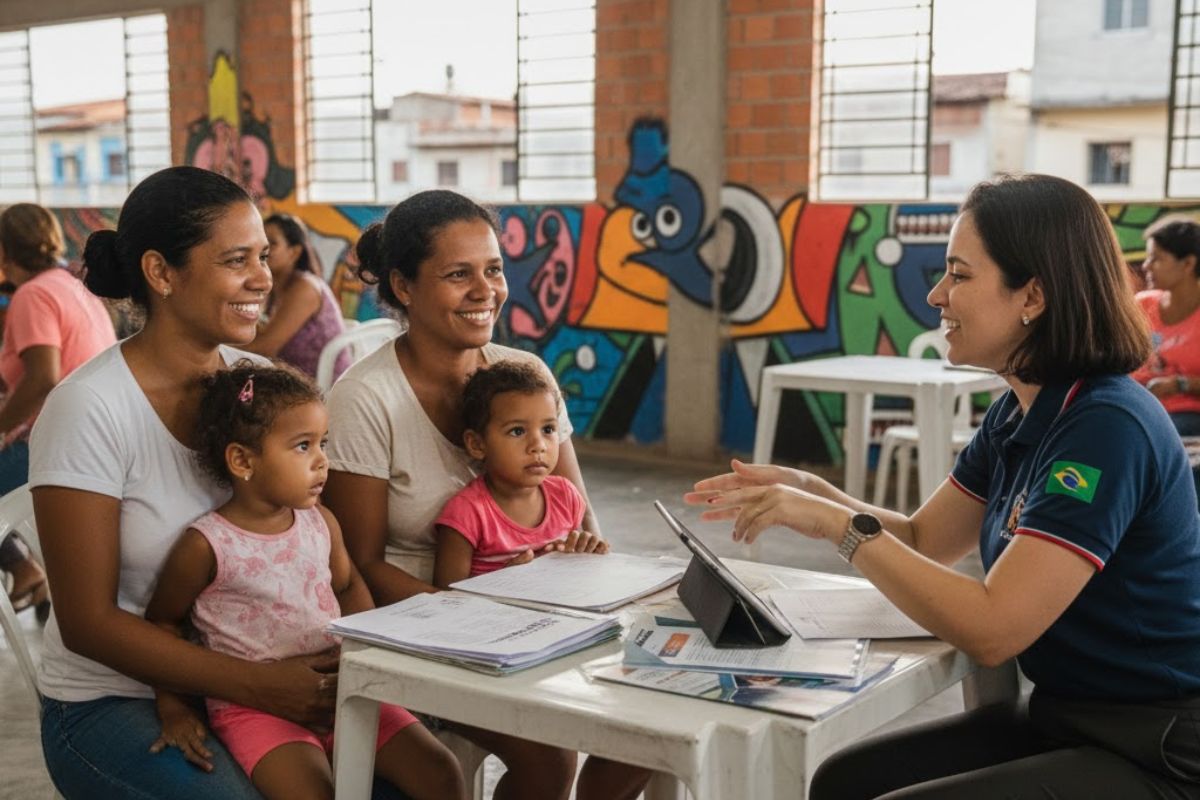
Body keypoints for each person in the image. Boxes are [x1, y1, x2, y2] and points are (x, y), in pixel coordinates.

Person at [689, 174, 1200, 799]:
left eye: (958, 275)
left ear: (1033, 295)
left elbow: (994, 629)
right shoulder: (1018, 409)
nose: (936, 294)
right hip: (1068, 715)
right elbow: (924, 539)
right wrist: (813, 493)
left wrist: (836, 526)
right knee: (843, 782)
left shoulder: (1106, 427)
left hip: (1157, 744)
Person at [28, 166, 402, 800]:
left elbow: (314, 542)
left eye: (263, 257)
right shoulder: (89, 408)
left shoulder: (254, 383)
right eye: (236, 260)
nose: (263, 278)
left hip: (257, 681)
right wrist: (260, 686)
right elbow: (87, 622)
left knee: (411, 779)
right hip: (115, 698)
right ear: (161, 272)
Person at [322, 189, 647, 800]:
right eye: (458, 275)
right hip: (420, 624)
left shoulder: (525, 376)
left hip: (536, 615)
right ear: (404, 286)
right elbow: (361, 565)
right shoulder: (365, 398)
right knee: (549, 759)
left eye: (493, 270)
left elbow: (577, 515)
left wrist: (569, 579)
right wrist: (478, 614)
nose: (485, 291)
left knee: (648, 723)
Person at [145, 363, 464, 800]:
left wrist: (371, 661)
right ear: (242, 460)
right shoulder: (207, 545)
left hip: (342, 690)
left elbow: (347, 586)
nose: (322, 461)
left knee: (442, 774)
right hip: (256, 709)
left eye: (322, 443)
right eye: (302, 446)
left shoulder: (320, 522)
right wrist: (174, 707)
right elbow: (163, 624)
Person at [0, 203, 116, 622]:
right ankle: (33, 574)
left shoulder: (33, 295)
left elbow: (43, 378)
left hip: (61, 444)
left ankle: (23, 568)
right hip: (93, 434)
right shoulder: (70, 285)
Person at [433, 360, 608, 588]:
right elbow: (446, 597)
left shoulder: (566, 496)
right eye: (517, 431)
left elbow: (579, 570)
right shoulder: (467, 513)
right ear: (477, 444)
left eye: (548, 429)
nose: (538, 446)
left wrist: (587, 551)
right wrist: (505, 582)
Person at [242, 213, 349, 380]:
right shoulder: (274, 288)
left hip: (317, 387)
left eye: (272, 243)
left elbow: (265, 348)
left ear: (294, 252)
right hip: (290, 379)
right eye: (260, 242)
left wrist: (215, 344)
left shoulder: (305, 287)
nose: (262, 250)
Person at [1132, 215, 1200, 437]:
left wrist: (1180, 385)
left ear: (1188, 264)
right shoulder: (1142, 305)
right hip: (1136, 407)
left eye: (1156, 259)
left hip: (1185, 417)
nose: (1146, 266)